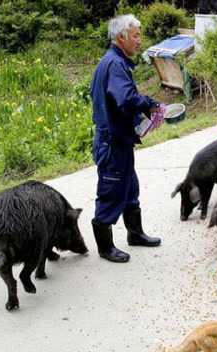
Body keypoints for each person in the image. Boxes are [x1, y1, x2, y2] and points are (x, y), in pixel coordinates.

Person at [89, 14, 163, 263]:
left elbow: (116, 99)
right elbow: (127, 99)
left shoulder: (112, 62)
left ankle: (135, 233)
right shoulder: (115, 64)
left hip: (120, 141)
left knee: (129, 187)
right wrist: (150, 105)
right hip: (112, 142)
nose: (139, 41)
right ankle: (105, 247)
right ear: (121, 37)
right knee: (111, 190)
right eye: (136, 35)